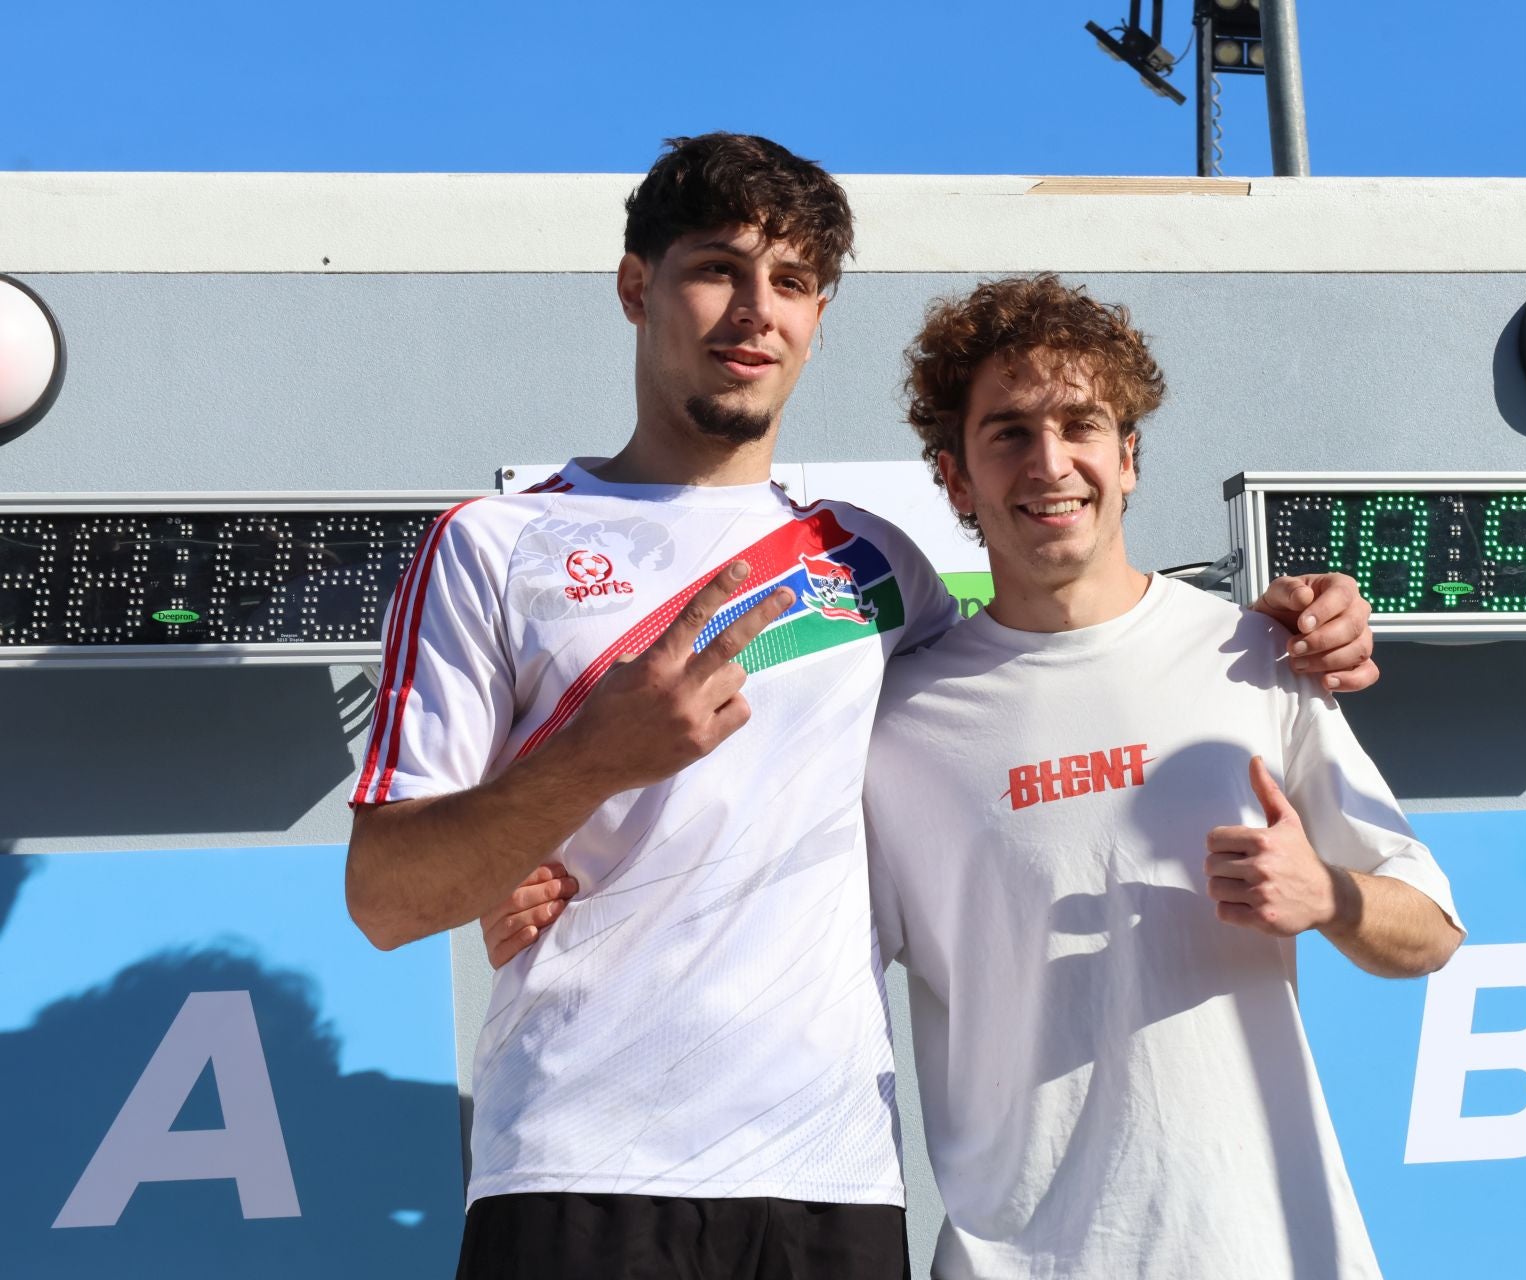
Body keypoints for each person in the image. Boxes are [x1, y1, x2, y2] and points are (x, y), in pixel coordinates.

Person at [349, 134, 1381, 1280]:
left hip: (832, 1180)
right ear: (637, 285)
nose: (755, 311)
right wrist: (588, 768)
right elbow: (387, 895)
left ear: (819, 316)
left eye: (790, 283)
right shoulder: (496, 546)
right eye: (716, 269)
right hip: (579, 1161)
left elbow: (1061, 659)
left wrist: (1295, 618)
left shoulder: (875, 566)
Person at [861, 275, 1466, 1279]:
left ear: (1128, 456)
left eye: (1080, 424)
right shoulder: (897, 723)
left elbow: (1434, 932)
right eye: (1008, 432)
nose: (1050, 463)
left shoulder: (1258, 655)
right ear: (955, 477)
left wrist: (1327, 893)